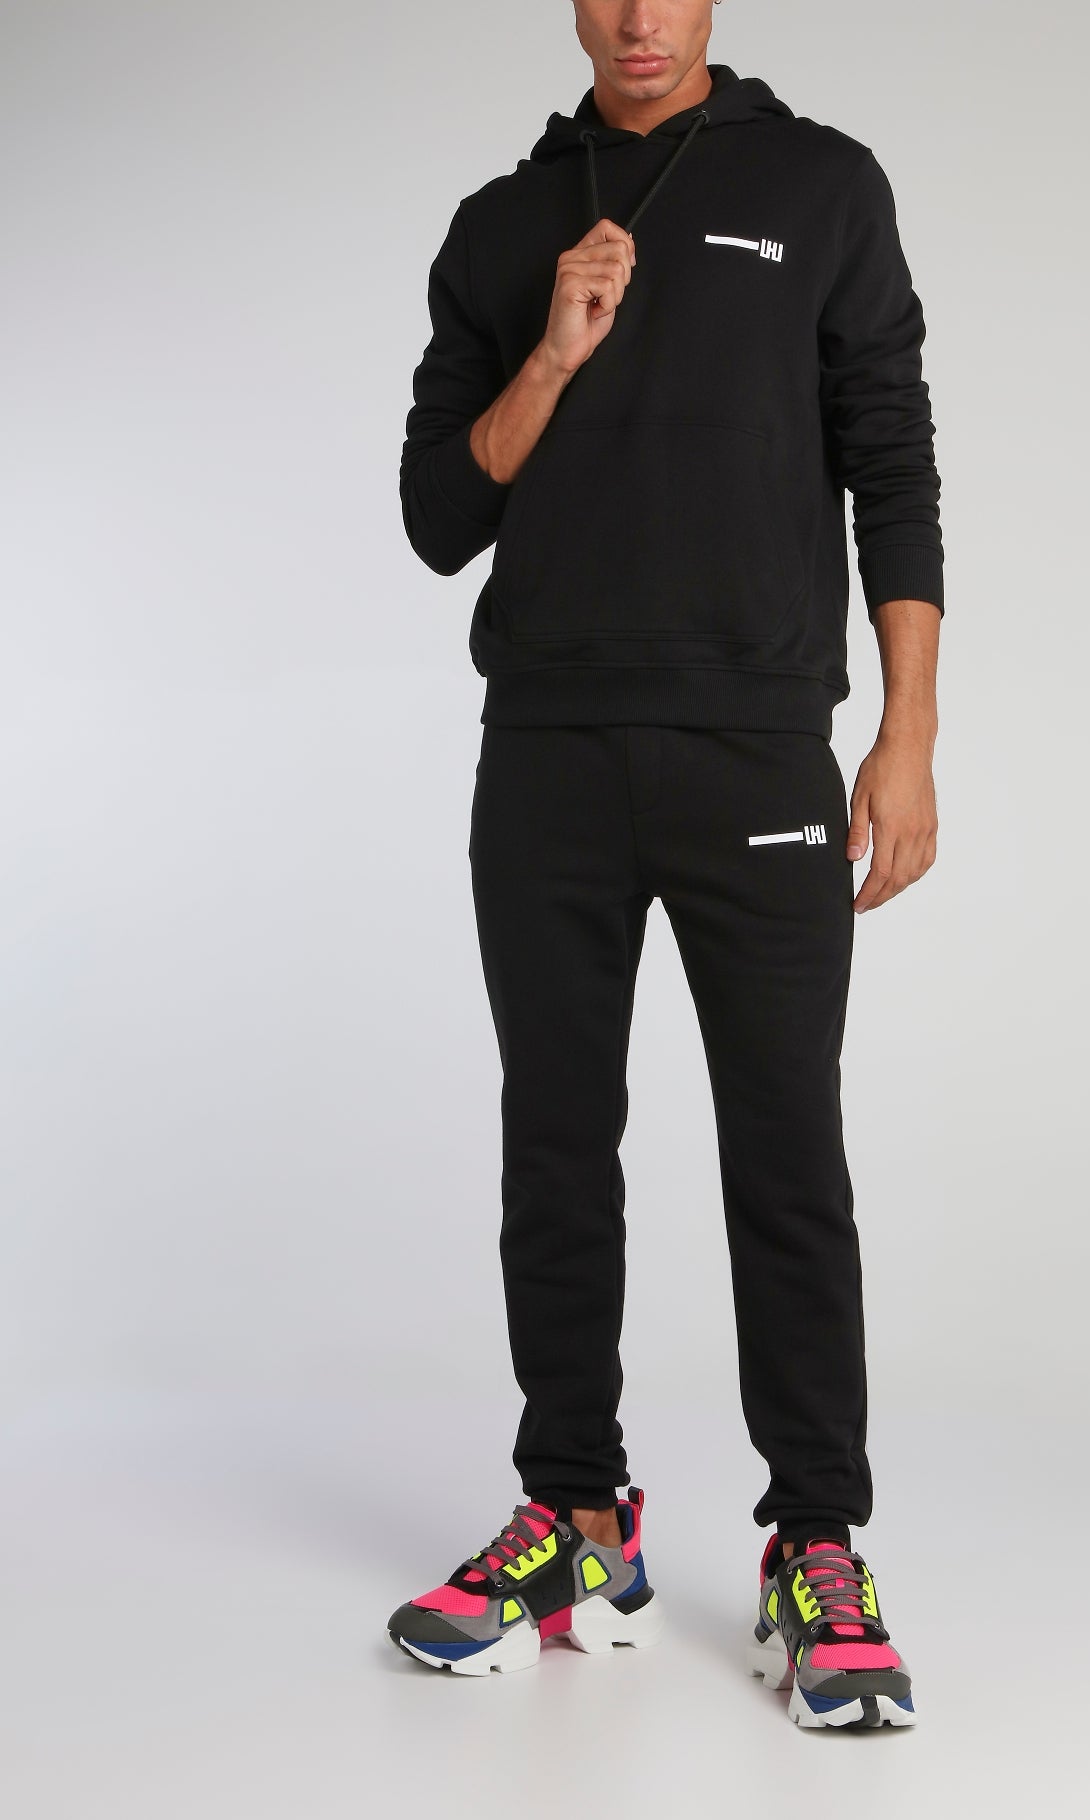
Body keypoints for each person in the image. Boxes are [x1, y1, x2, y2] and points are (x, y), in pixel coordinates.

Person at [386, 0, 941, 1732]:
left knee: (784, 1149)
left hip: (754, 749)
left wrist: (907, 733)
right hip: (547, 753)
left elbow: (891, 455)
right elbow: (435, 516)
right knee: (554, 1146)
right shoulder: (500, 223)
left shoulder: (823, 184)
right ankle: (574, 1519)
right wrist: (553, 351)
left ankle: (817, 1543)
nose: (638, 17)